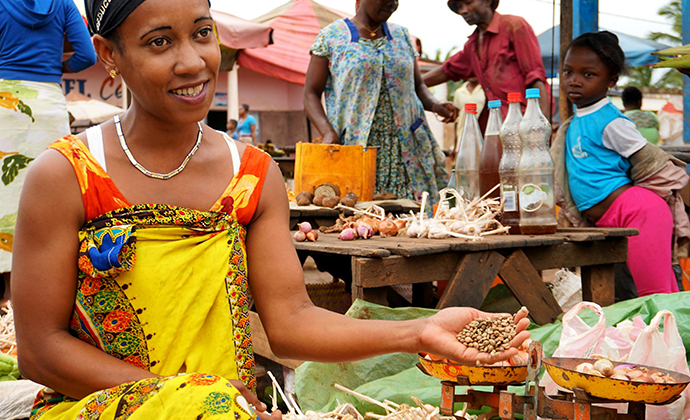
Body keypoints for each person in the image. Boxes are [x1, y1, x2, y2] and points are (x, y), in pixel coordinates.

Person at [11, 0, 531, 419]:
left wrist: (421, 330)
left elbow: (290, 321)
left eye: (201, 32)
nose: (192, 61)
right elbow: (39, 349)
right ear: (108, 54)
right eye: (159, 42)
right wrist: (192, 398)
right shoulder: (67, 176)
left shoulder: (252, 175)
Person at [553, 31, 688, 297]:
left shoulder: (613, 122)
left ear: (611, 81)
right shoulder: (574, 122)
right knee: (656, 294)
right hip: (611, 219)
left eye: (588, 74)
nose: (574, 81)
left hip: (640, 214)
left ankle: (668, 339)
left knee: (655, 294)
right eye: (568, 72)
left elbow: (650, 161)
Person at [303, 0, 459, 204]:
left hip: (406, 150)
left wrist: (436, 105)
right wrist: (327, 132)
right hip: (359, 148)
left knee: (414, 218)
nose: (392, 4)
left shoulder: (402, 35)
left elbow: (418, 85)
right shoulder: (331, 37)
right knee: (362, 217)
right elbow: (310, 92)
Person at [0, 0, 96, 285]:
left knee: (5, 194)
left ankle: (6, 289)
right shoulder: (64, 4)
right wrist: (58, 65)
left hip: (6, 101)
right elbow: (87, 56)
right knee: (55, 190)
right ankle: (48, 276)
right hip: (48, 102)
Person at [423, 0, 550, 130]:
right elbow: (448, 70)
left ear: (487, 1)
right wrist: (411, 83)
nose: (463, 10)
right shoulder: (472, 44)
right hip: (495, 125)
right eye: (459, 6)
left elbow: (536, 76)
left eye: (468, 3)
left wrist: (541, 127)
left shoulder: (514, 26)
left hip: (523, 122)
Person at [452, 77, 485, 154]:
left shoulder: (485, 91)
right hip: (462, 135)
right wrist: (454, 145)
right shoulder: (459, 92)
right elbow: (456, 119)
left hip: (481, 135)